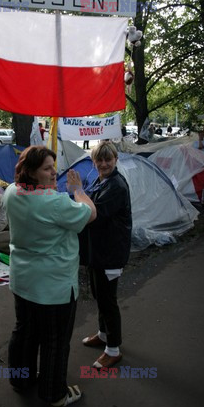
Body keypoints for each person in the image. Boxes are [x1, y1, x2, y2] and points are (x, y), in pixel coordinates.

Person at [3, 146, 96, 407]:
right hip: (54, 287)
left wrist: (51, 189)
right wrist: (78, 191)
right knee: (55, 341)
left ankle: (21, 379)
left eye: (54, 166)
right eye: (47, 168)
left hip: (23, 281)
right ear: (31, 172)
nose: (54, 172)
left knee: (25, 333)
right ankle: (54, 394)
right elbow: (90, 213)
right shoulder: (55, 202)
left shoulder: (11, 192)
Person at [80, 141, 132, 369]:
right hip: (97, 251)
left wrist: (76, 192)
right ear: (94, 161)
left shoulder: (117, 186)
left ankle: (113, 349)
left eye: (107, 160)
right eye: (99, 160)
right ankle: (103, 334)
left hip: (110, 253)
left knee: (108, 301)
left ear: (115, 159)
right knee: (99, 296)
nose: (103, 164)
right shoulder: (101, 180)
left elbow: (93, 214)